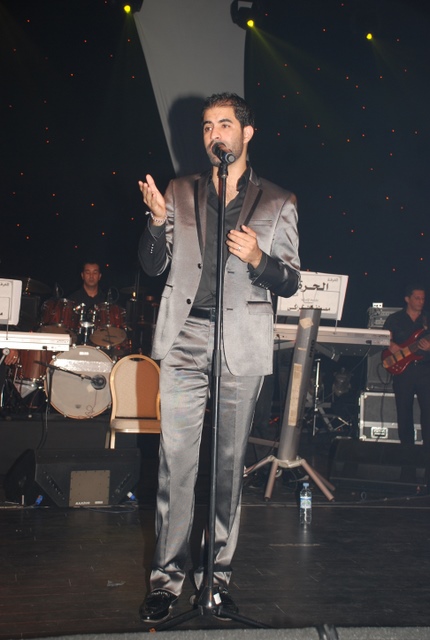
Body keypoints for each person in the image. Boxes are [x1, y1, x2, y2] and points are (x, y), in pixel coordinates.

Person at [137, 92, 300, 623]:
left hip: (241, 342)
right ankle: (165, 581)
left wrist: (259, 259)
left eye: (225, 125)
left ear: (246, 133)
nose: (215, 135)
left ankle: (217, 580)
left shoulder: (279, 201)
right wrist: (155, 223)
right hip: (185, 339)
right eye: (208, 126)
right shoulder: (179, 191)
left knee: (228, 469)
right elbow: (153, 265)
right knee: (176, 465)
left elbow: (291, 281)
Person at [383, 284, 430, 449]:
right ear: (407, 299)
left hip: (425, 370)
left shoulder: (427, 318)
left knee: (428, 412)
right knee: (404, 411)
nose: (421, 301)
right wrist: (392, 345)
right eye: (417, 298)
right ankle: (407, 451)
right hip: (404, 372)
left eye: (423, 298)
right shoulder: (395, 319)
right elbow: (382, 338)